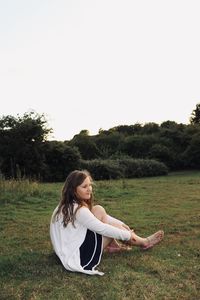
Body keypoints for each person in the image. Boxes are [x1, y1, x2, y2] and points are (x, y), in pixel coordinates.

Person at [50, 170, 164, 276]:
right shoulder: (80, 210)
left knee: (98, 209)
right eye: (84, 186)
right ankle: (144, 242)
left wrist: (121, 224)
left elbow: (101, 217)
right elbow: (103, 228)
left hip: (65, 249)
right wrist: (127, 234)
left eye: (90, 185)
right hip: (78, 255)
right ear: (74, 190)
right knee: (109, 229)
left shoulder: (65, 205)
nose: (89, 189)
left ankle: (114, 245)